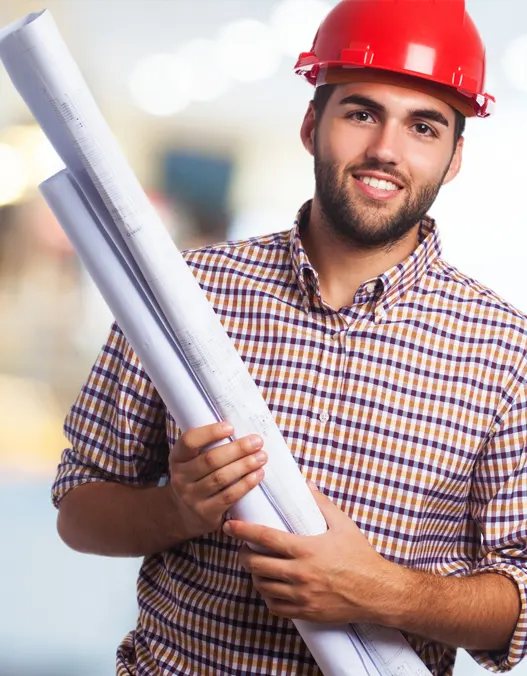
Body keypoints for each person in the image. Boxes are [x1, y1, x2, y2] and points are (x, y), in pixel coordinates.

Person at [52, 1, 527, 674]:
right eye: (360, 113)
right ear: (312, 124)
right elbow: (79, 507)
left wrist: (379, 591)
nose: (385, 150)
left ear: (452, 159)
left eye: (423, 126)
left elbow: (520, 594)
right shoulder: (188, 292)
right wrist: (177, 509)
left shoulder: (505, 352)